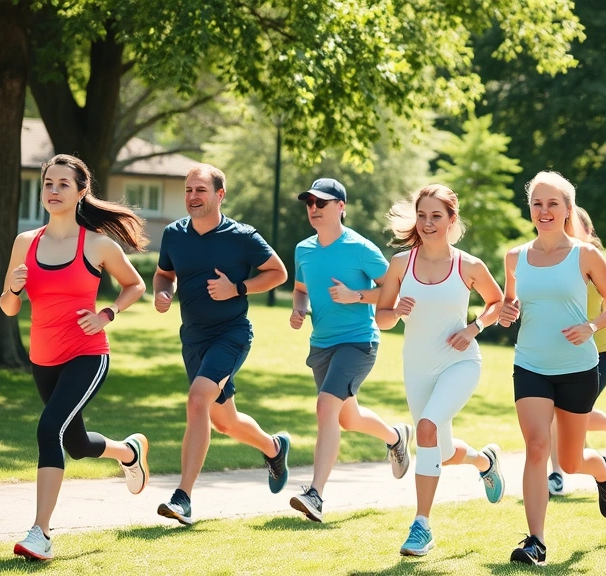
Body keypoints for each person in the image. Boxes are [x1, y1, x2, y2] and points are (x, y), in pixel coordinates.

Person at [0, 154, 151, 560]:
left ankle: (40, 533)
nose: (53, 190)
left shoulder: (97, 244)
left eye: (63, 184)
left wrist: (107, 314)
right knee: (76, 442)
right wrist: (13, 289)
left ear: (82, 191)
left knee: (49, 429)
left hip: (87, 355)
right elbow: (9, 309)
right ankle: (129, 452)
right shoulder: (25, 243)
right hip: (43, 358)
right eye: (48, 183)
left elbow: (134, 285)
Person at [499, 171, 606, 566]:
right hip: (531, 364)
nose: (544, 210)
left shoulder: (585, 254)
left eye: (553, 203)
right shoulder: (515, 257)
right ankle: (535, 541)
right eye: (537, 203)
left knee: (570, 461)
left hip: (578, 367)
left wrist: (591, 325)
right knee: (537, 447)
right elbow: (509, 307)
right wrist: (506, 312)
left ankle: (605, 470)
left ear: (568, 209)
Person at [153, 163, 291, 526]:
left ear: (219, 194)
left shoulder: (241, 236)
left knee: (198, 399)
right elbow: (164, 274)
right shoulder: (173, 234)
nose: (192, 197)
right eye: (187, 190)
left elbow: (278, 272)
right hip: (193, 337)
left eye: (200, 190)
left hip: (231, 334)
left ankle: (182, 497)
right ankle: (274, 448)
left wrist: (238, 288)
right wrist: (163, 293)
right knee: (223, 421)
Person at [376, 184, 507, 556]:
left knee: (427, 429)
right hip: (417, 369)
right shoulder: (401, 264)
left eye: (437, 216)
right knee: (441, 450)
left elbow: (496, 302)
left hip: (460, 363)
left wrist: (473, 329)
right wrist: (395, 313)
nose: (428, 223)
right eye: (422, 215)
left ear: (452, 219)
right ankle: (485, 460)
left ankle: (421, 526)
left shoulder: (468, 265)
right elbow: (381, 317)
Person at [289, 177, 412, 523]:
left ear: (341, 207)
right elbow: (300, 289)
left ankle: (315, 494)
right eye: (309, 203)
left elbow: (394, 292)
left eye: (322, 203)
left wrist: (356, 296)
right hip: (322, 344)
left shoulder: (361, 248)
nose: (314, 209)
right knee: (347, 417)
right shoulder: (304, 249)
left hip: (358, 341)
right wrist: (300, 308)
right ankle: (395, 436)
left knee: (326, 407)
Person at [547, 206, 606, 497]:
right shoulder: (550, 263)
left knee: (564, 414)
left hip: (599, 354)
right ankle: (557, 473)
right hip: (556, 356)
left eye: (573, 224)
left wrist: (594, 324)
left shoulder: (598, 266)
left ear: (589, 232)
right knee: (553, 413)